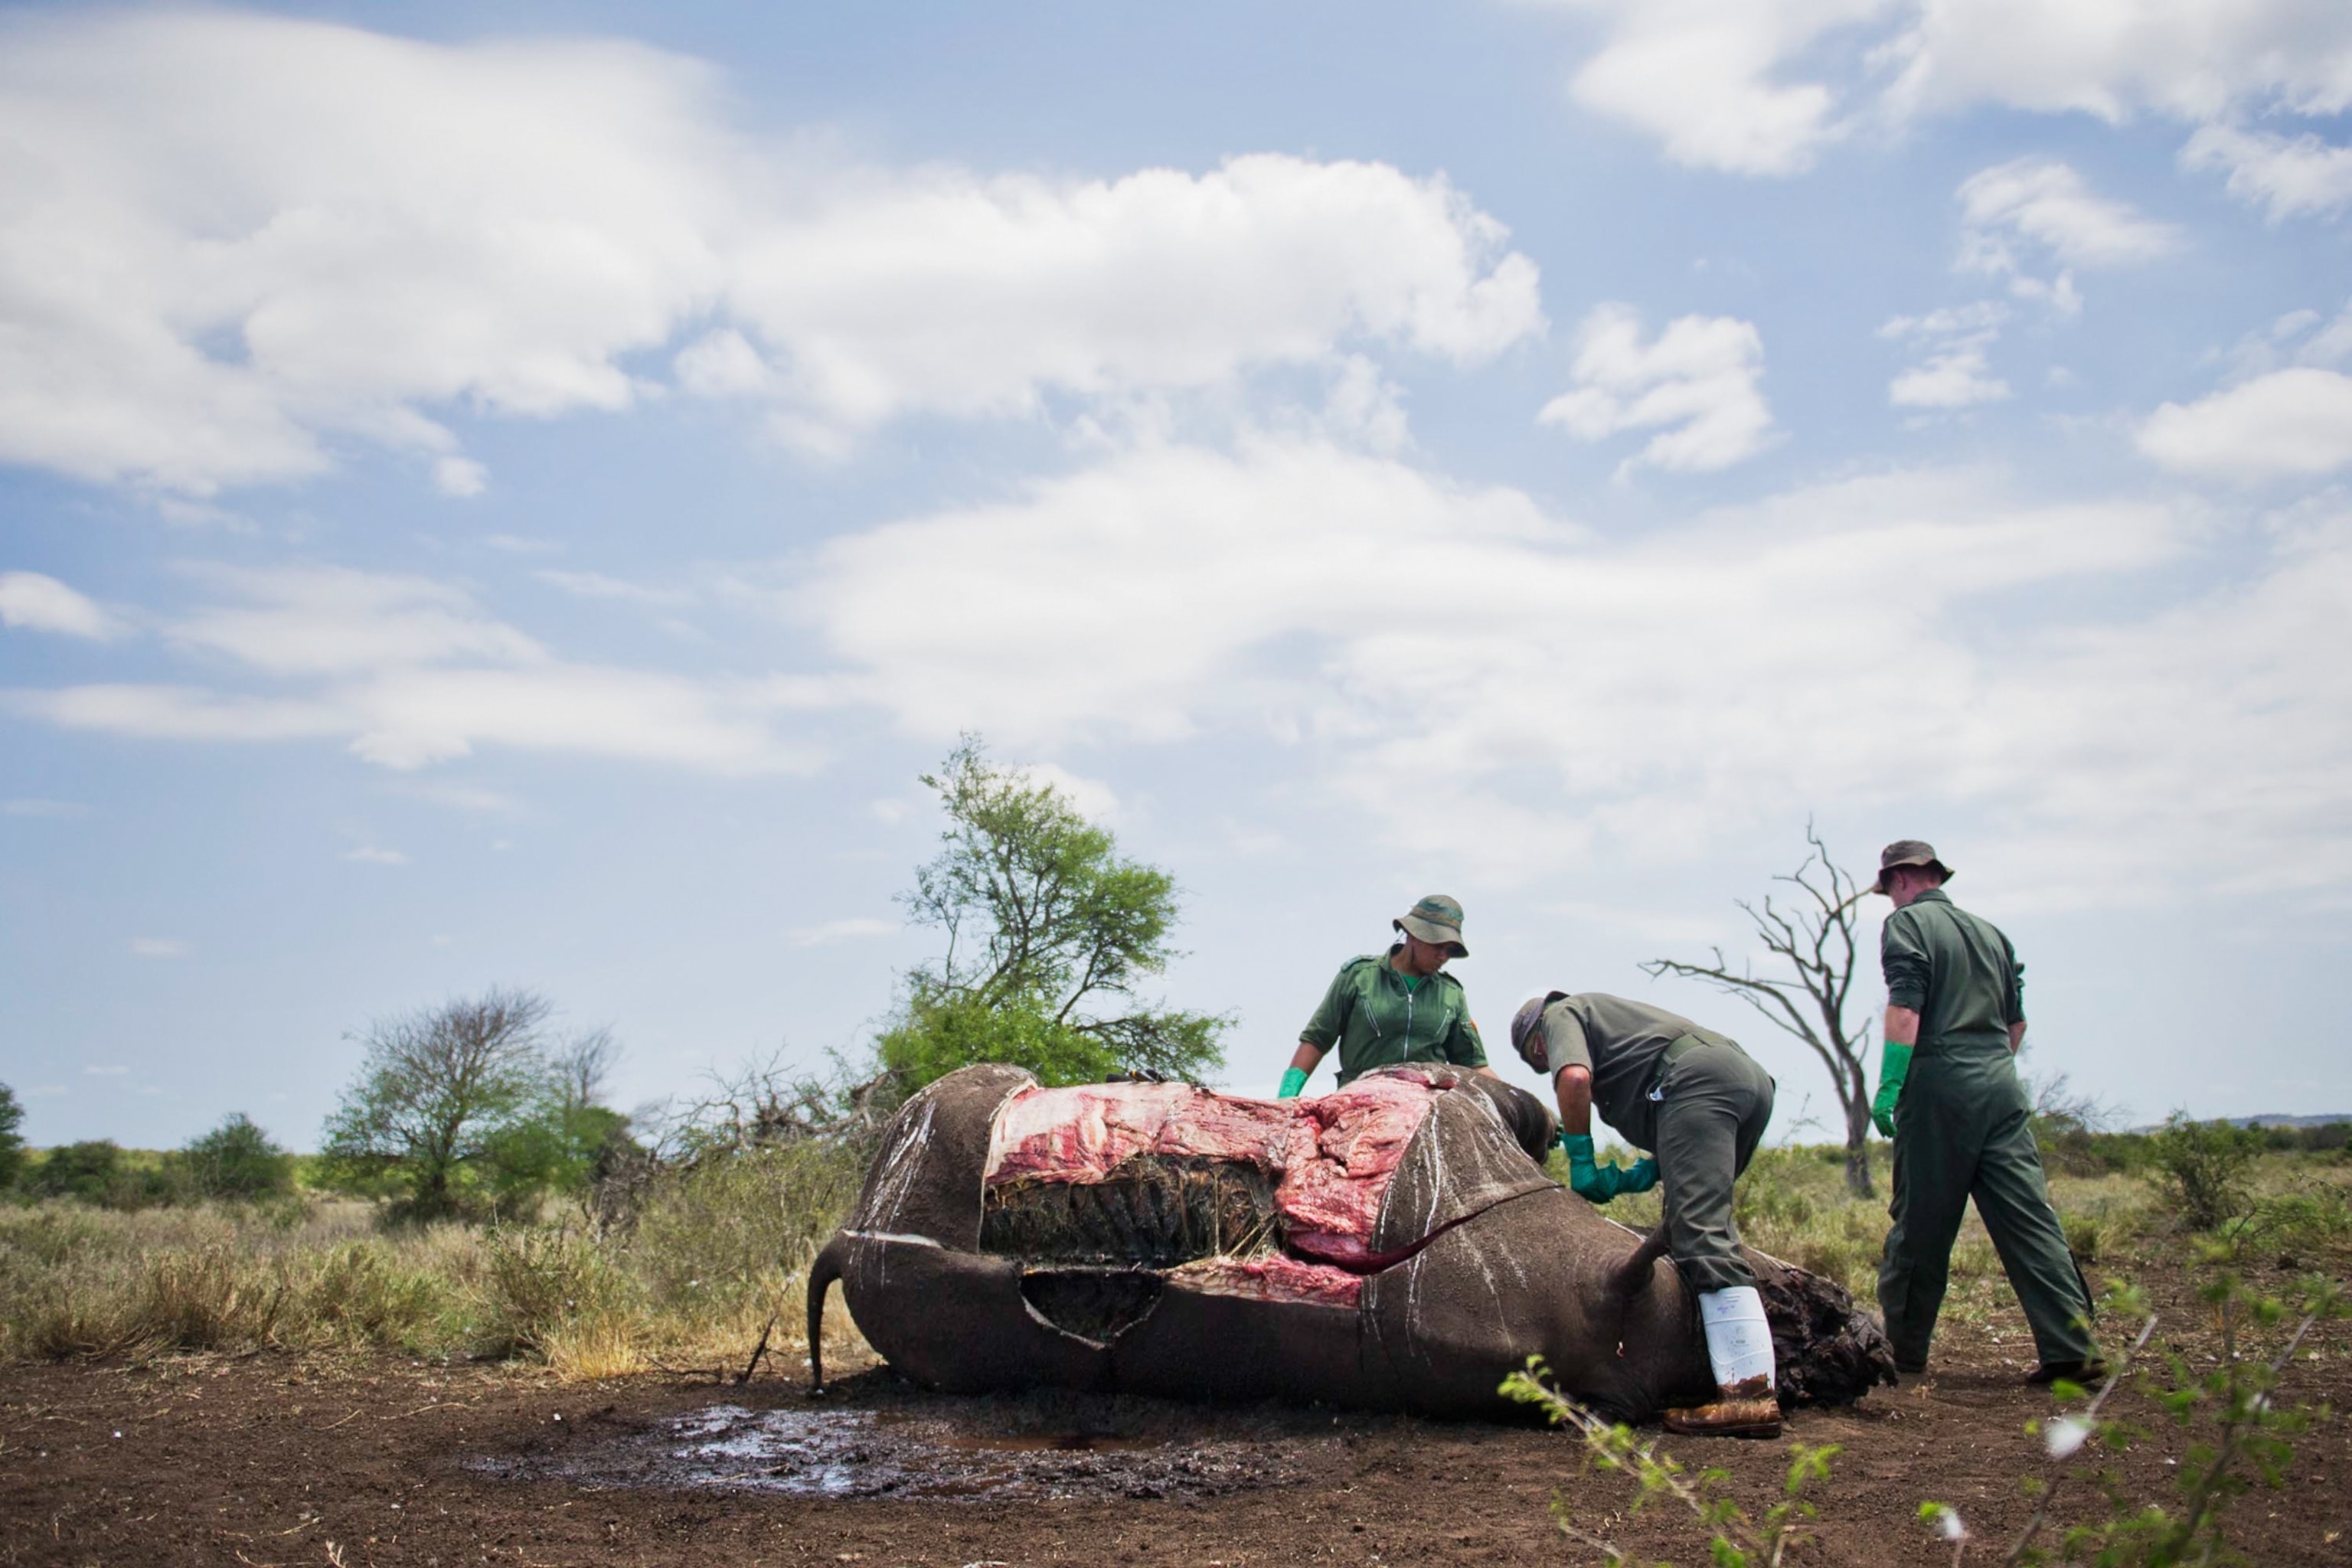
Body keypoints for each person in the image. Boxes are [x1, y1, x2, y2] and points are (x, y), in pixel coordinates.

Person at [1869, 839, 2101, 1385]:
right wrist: (1988, 1068)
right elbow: (2016, 1023)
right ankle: (2074, 1348)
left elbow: (1906, 1007)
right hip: (2001, 1086)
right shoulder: (1992, 934)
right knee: (2029, 1217)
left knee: (1921, 1223)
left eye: (1889, 891)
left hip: (1939, 1087)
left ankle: (1900, 1352)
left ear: (1901, 879)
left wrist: (1890, 1086)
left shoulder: (1907, 927)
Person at [1509, 991, 1782, 1438]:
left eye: (1541, 1063)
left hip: (1697, 1083)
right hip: (1746, 1081)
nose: (1549, 1063)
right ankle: (1736, 1376)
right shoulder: (1616, 1023)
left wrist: (1581, 1157)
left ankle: (1749, 1397)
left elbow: (1575, 1079)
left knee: (1701, 1234)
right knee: (1690, 1224)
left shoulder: (1560, 1015)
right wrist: (1645, 1172)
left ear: (1538, 1047)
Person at [1279, 895, 1498, 1097]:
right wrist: (1287, 1096)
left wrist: (1521, 1103)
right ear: (1414, 935)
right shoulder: (1360, 976)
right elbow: (1317, 1039)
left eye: (1450, 950)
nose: (1443, 956)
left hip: (1426, 1104)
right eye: (1438, 945)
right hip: (1359, 1098)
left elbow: (1473, 1063)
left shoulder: (1452, 994)